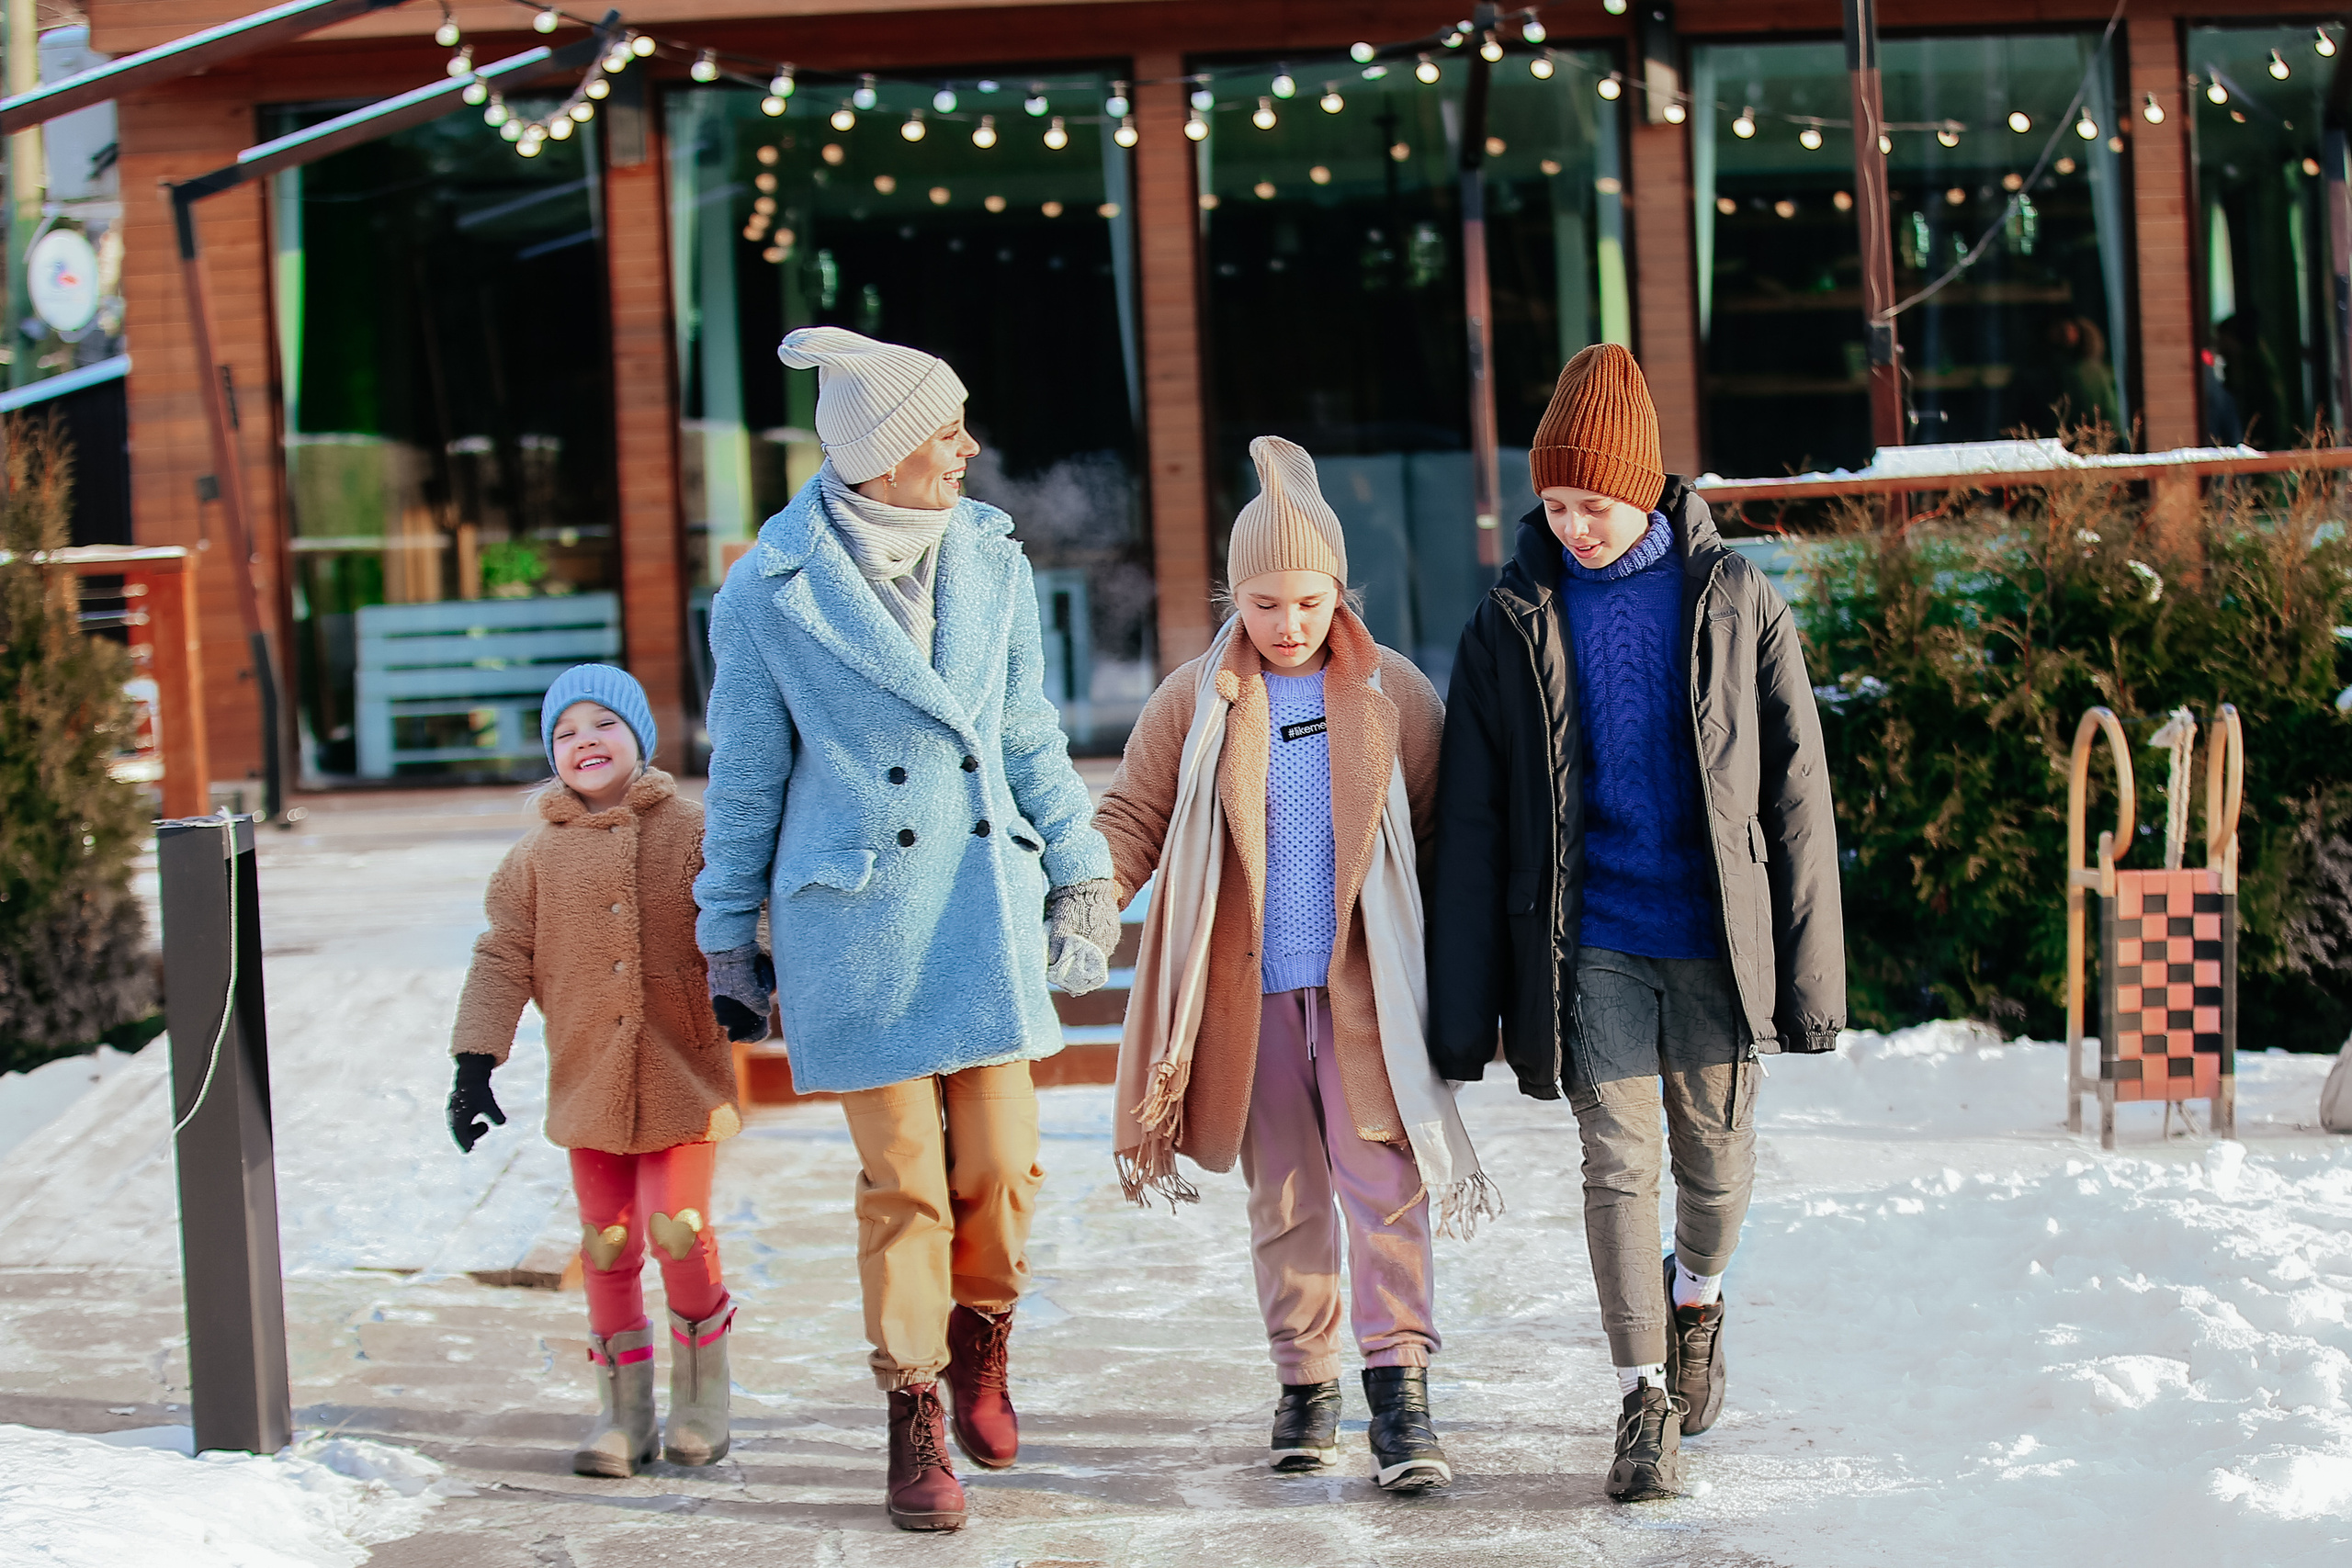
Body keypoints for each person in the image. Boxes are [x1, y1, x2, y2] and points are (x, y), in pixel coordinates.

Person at [694, 326, 1119, 1534]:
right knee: (904, 1185)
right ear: (882, 450)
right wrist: (727, 934)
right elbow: (746, 776)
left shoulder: (990, 556)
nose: (968, 448)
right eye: (947, 429)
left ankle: (982, 1328)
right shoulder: (770, 589)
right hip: (860, 920)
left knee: (1002, 1167)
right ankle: (914, 1401)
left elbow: (1027, 731)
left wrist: (1081, 872)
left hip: (979, 903)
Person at [1426, 344, 1845, 1502]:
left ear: (1642, 488)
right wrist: (1463, 1008)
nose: (1572, 527)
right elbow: (1473, 819)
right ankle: (1640, 1399)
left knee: (1715, 1167)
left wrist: (1808, 975)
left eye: (1592, 504)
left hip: (1713, 933)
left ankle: (1695, 1297)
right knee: (1616, 1164)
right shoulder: (1510, 620)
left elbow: (1796, 791)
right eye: (1554, 504)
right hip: (1590, 937)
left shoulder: (1736, 599)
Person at [1094, 436, 1494, 1492]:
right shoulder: (1194, 700)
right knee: (1284, 1196)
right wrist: (1091, 895)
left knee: (1385, 1182)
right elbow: (1133, 816)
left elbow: (1445, 835)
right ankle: (1304, 1381)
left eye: (1308, 602)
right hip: (1249, 995)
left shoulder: (1394, 694)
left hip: (1367, 991)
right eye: (1264, 603)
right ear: (1233, 598)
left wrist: (1466, 967)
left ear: (1339, 593)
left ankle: (1399, 1393)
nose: (1287, 624)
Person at [446, 663, 743, 1479]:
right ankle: (623, 1413)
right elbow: (502, 955)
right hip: (588, 1079)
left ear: (639, 736)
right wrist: (475, 1062)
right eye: (566, 732)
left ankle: (702, 1398)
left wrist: (747, 982)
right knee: (608, 1243)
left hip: (682, 1073)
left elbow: (738, 914)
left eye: (603, 724)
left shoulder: (693, 830)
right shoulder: (534, 858)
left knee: (676, 1225)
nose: (586, 741)